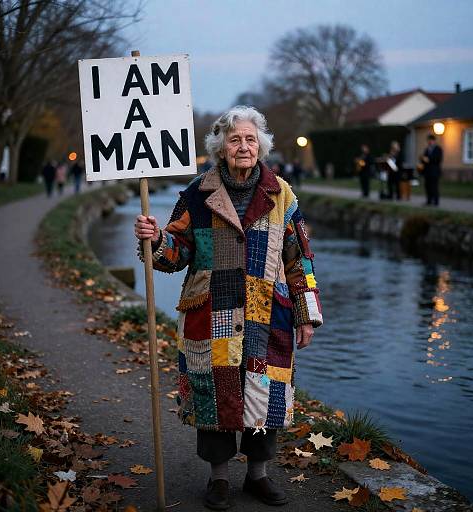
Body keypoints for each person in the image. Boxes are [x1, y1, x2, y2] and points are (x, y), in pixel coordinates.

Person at [134, 106, 323, 510]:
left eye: (250, 139)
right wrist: (157, 239)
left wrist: (307, 316)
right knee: (213, 395)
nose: (243, 146)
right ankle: (218, 479)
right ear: (220, 148)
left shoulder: (281, 194)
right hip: (211, 310)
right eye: (234, 139)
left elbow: (299, 258)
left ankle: (258, 476)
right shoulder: (197, 194)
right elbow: (177, 251)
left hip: (267, 313)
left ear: (261, 147)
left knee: (264, 394)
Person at [420, 134, 443, 206]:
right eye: (428, 141)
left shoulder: (438, 149)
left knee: (434, 187)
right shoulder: (427, 149)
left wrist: (429, 159)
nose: (429, 142)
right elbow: (424, 159)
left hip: (434, 171)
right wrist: (422, 159)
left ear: (434, 141)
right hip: (427, 171)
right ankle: (429, 201)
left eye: (431, 140)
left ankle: (436, 202)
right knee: (427, 186)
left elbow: (438, 159)